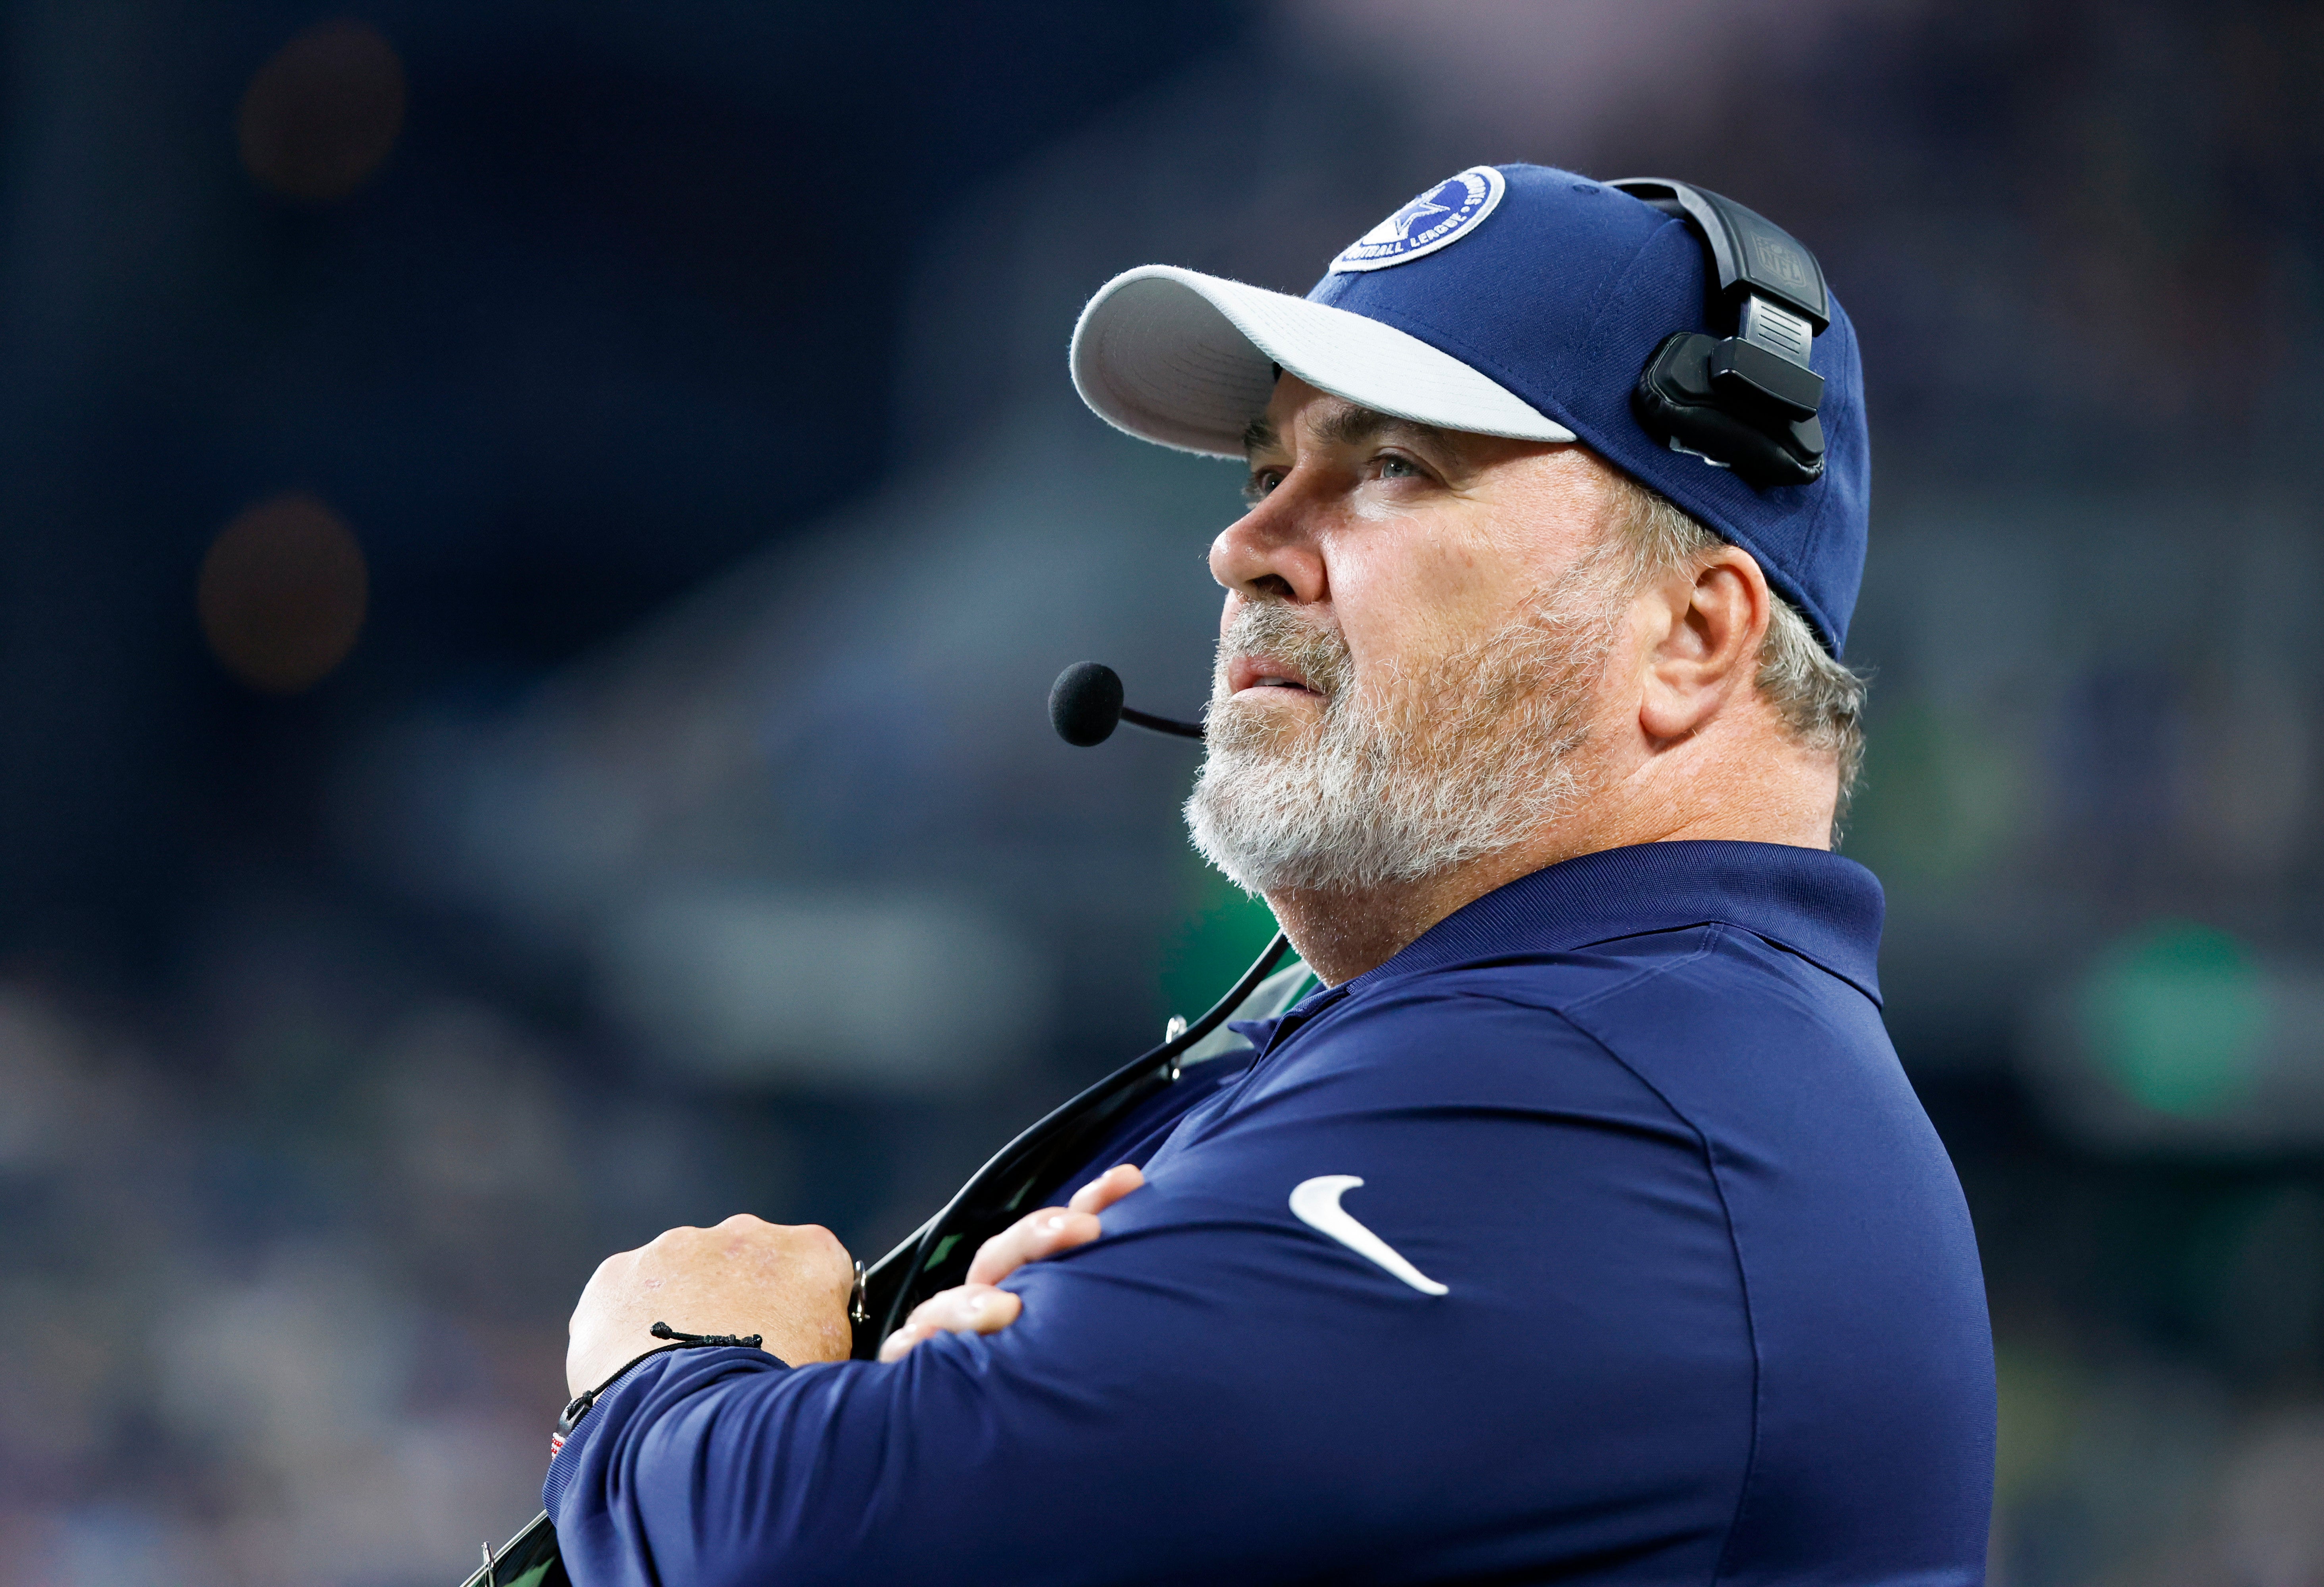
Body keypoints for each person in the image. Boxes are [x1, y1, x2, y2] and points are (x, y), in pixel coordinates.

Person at [546, 164, 1996, 1585]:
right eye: (1264, 469)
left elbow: (798, 1552)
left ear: (1690, 633)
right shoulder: (1621, 1047)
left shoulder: (1606, 1094)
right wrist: (964, 1424)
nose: (1244, 545)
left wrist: (668, 1378)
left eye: (1388, 466)